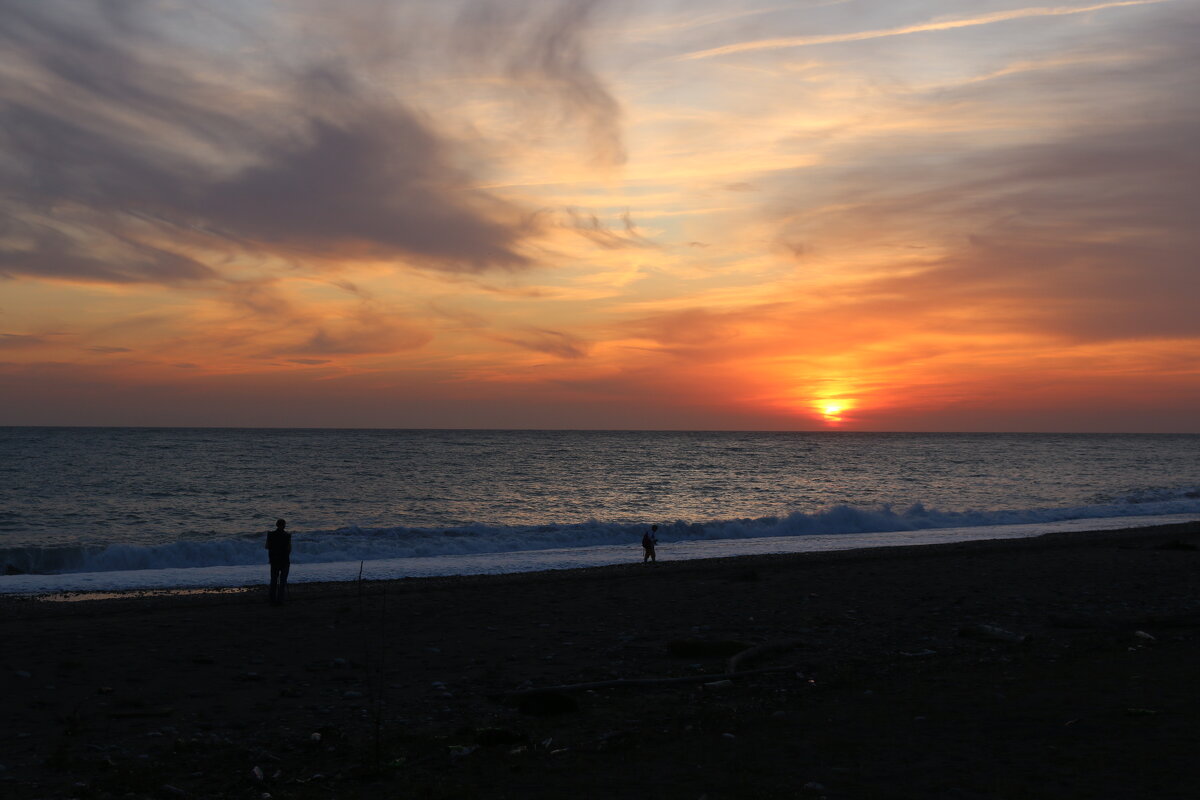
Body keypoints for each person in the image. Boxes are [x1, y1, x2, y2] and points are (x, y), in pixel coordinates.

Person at [266, 518, 292, 605]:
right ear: (284, 525)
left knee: (273, 581)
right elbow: (289, 549)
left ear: (276, 525)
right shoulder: (287, 536)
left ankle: (272, 600)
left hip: (274, 560)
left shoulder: (270, 534)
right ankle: (280, 600)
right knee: (282, 582)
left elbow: (267, 546)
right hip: (285, 561)